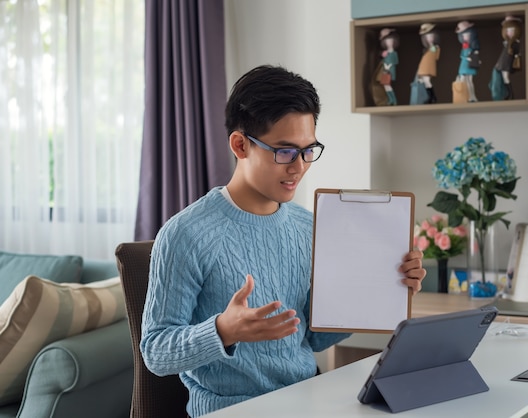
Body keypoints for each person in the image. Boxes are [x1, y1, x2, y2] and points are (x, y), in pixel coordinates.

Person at [140, 65, 427, 417]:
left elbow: (311, 337)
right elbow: (155, 352)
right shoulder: (185, 233)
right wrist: (223, 330)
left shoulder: (309, 226)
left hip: (306, 400)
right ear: (240, 144)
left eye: (309, 150)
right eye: (285, 152)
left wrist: (382, 289)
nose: (300, 167)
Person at [494, 16, 523, 100]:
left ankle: (510, 94)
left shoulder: (515, 43)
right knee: (504, 78)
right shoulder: (507, 43)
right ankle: (507, 94)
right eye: (508, 31)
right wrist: (499, 63)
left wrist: (517, 57)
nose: (509, 33)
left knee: (506, 78)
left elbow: (517, 53)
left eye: (511, 30)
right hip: (504, 62)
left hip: (508, 63)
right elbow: (503, 55)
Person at [456, 21, 480, 102]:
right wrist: (467, 58)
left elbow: (476, 55)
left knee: (470, 81)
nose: (466, 37)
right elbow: (461, 55)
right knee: (463, 80)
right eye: (463, 35)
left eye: (468, 35)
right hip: (463, 65)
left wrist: (476, 60)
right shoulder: (464, 47)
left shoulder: (472, 47)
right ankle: (463, 97)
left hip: (470, 65)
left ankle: (472, 96)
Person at [416, 23, 440, 104]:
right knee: (425, 82)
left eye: (431, 36)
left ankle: (432, 97)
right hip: (423, 67)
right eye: (428, 36)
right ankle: (429, 97)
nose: (430, 38)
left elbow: (436, 57)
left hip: (428, 68)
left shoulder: (435, 48)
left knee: (427, 81)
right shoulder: (426, 49)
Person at [378, 28, 400, 105]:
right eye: (387, 41)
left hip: (390, 70)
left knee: (388, 85)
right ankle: (390, 99)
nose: (389, 42)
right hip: (385, 70)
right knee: (385, 86)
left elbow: (395, 61)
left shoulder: (394, 53)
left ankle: (394, 100)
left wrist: (389, 66)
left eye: (390, 41)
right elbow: (383, 60)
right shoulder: (385, 52)